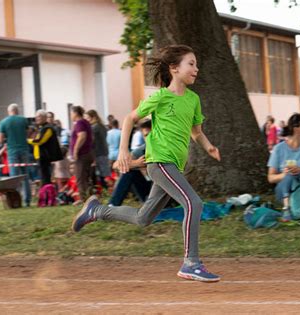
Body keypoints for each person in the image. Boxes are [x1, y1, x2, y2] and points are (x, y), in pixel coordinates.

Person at [72, 45, 222, 282]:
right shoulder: (161, 97)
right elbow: (130, 118)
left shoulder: (193, 99)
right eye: (191, 63)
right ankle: (191, 263)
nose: (196, 68)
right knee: (194, 203)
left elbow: (196, 133)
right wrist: (123, 151)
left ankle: (96, 210)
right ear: (174, 68)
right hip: (160, 163)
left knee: (143, 218)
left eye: (196, 64)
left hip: (173, 166)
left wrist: (209, 146)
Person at [109, 120, 152, 206]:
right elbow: (115, 165)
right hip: (149, 191)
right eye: (146, 135)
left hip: (167, 191)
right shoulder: (142, 150)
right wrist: (136, 163)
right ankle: (112, 206)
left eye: (151, 134)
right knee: (129, 170)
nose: (149, 138)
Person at [0, 103, 31, 207]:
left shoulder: (3, 122)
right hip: (24, 149)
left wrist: (8, 139)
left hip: (12, 151)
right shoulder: (23, 120)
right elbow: (28, 132)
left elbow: (0, 139)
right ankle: (27, 201)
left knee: (14, 178)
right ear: (17, 110)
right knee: (25, 176)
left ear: (9, 111)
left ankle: (15, 201)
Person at [28, 110, 63, 186]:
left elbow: (40, 141)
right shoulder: (42, 128)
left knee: (46, 179)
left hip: (45, 157)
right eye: (36, 116)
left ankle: (48, 196)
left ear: (44, 117)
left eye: (39, 116)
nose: (36, 118)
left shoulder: (48, 128)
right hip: (40, 157)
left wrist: (27, 141)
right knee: (44, 179)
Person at [69, 106, 94, 201]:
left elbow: (82, 136)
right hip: (87, 152)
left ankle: (84, 200)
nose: (71, 115)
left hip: (82, 154)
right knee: (85, 177)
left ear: (75, 113)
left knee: (80, 177)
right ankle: (89, 199)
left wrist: (75, 150)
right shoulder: (86, 122)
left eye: (71, 113)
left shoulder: (79, 123)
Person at [85, 109, 112, 189]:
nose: (86, 120)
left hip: (98, 153)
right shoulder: (102, 126)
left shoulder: (94, 127)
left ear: (93, 117)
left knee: (99, 175)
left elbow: (91, 142)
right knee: (104, 174)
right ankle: (105, 191)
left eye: (87, 118)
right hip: (104, 152)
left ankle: (103, 192)